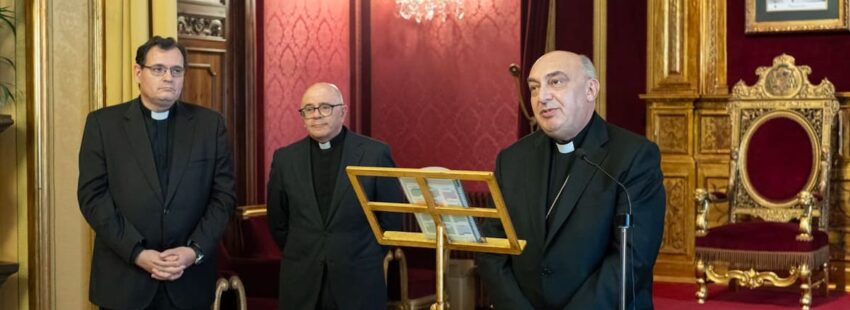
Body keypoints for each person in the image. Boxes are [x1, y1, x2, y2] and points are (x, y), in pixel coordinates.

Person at [477, 51, 666, 309]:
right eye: (534, 87)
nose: (541, 96)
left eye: (556, 82)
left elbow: (632, 260)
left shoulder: (633, 156)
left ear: (591, 90)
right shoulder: (511, 160)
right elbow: (492, 248)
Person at [77, 36, 236, 310]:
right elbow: (93, 198)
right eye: (158, 69)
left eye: (176, 71)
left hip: (189, 282)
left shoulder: (210, 126)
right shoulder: (103, 125)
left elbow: (223, 197)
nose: (168, 78)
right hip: (124, 283)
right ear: (138, 73)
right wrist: (136, 252)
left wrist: (193, 251)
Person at [266, 82, 403, 309]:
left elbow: (391, 220)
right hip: (302, 280)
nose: (316, 115)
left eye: (325, 107)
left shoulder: (374, 154)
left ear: (343, 111)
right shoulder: (285, 159)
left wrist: (361, 254)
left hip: (358, 280)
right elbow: (278, 221)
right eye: (309, 109)